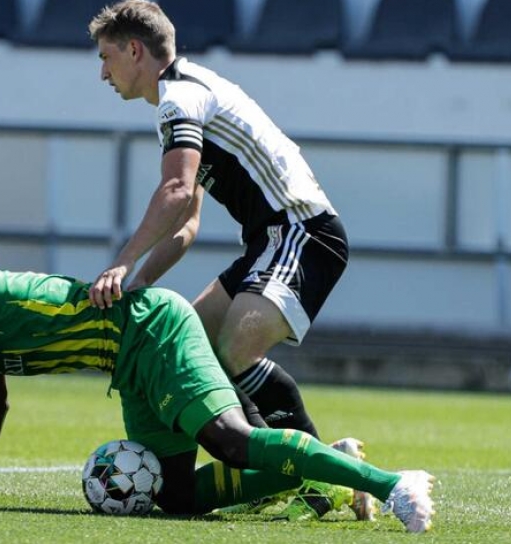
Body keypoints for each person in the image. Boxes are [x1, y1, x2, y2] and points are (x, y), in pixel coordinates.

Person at [0, 258, 435, 532]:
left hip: (151, 331)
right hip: (129, 362)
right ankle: (331, 471)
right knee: (176, 498)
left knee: (230, 441)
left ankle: (393, 485)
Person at [86, 0, 347, 446]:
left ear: (134, 50)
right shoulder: (183, 97)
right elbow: (185, 225)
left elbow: (176, 190)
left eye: (105, 57)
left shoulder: (181, 97)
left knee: (235, 351)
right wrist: (142, 280)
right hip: (269, 242)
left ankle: (323, 475)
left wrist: (122, 264)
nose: (103, 74)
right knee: (198, 351)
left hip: (302, 232)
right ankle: (280, 467)